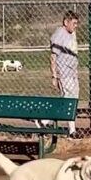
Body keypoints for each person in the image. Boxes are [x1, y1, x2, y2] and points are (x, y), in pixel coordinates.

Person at [37, 10, 80, 139]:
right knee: (67, 101)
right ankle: (48, 123)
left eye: (76, 23)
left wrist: (76, 71)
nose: (75, 26)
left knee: (71, 101)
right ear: (65, 22)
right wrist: (55, 76)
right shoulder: (59, 35)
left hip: (72, 72)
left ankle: (68, 129)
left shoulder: (72, 34)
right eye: (73, 23)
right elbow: (53, 57)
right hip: (64, 73)